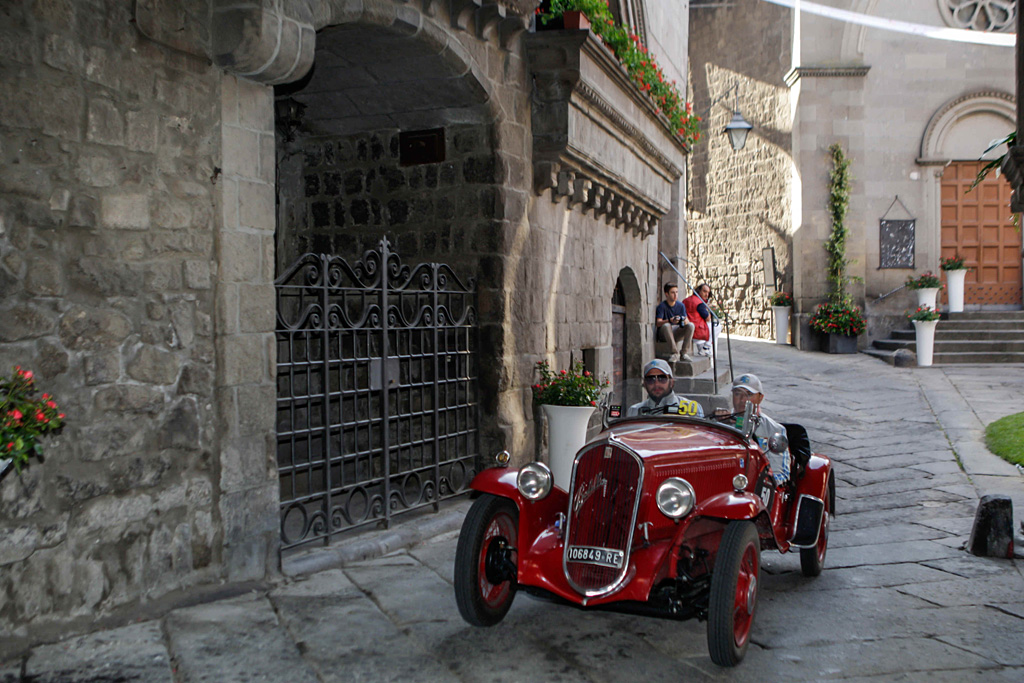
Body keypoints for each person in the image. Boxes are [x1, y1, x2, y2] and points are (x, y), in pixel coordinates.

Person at [715, 373, 790, 485]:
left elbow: (780, 475)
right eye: (737, 393)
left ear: (760, 398)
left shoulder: (775, 429)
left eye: (749, 395)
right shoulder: (718, 422)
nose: (743, 399)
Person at [628, 359, 704, 417]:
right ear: (644, 384)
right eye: (650, 379)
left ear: (672, 382)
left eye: (662, 378)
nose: (656, 384)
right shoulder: (634, 411)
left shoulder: (691, 408)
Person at [656, 282, 694, 362]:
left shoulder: (681, 306)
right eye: (672, 293)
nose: (675, 295)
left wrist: (683, 320)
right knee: (666, 325)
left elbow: (687, 320)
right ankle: (674, 353)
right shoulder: (662, 306)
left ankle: (684, 353)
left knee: (691, 325)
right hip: (664, 333)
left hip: (677, 330)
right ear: (667, 294)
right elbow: (658, 323)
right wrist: (670, 320)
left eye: (676, 292)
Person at [682, 283, 712, 356]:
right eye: (705, 291)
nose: (707, 294)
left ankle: (704, 348)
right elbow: (707, 318)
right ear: (699, 291)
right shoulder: (699, 303)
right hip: (698, 329)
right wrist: (708, 309)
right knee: (716, 326)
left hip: (688, 325)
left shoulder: (686, 300)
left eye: (708, 292)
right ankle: (706, 347)